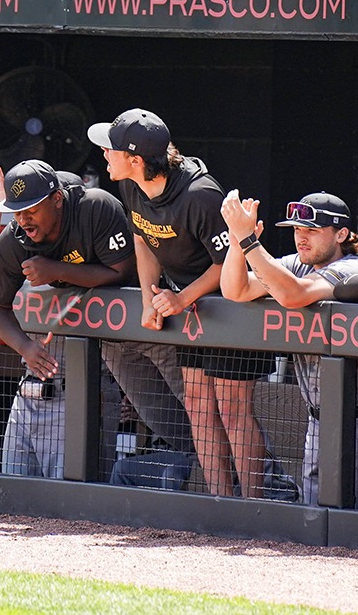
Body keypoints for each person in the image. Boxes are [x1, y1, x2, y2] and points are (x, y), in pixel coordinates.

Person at [91, 108, 277, 499]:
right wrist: (148, 296)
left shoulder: (200, 195)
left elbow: (227, 263)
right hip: (193, 311)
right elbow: (142, 238)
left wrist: (181, 298)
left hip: (234, 308)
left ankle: (255, 506)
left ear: (136, 160)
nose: (105, 155)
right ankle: (219, 503)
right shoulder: (131, 186)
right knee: (197, 403)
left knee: (231, 408)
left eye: (111, 149)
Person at [221, 191, 358, 511]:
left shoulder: (355, 267)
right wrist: (238, 242)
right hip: (318, 423)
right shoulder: (297, 264)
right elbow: (235, 290)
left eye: (311, 230)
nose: (301, 238)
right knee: (314, 526)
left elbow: (294, 295)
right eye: (297, 229)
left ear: (341, 234)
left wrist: (250, 241)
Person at [0, 159, 132, 479]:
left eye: (31, 209)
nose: (23, 218)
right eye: (17, 211)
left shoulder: (94, 209)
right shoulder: (15, 240)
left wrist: (58, 271)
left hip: (104, 363)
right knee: (14, 484)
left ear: (57, 199)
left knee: (76, 489)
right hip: (37, 380)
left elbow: (125, 273)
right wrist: (24, 348)